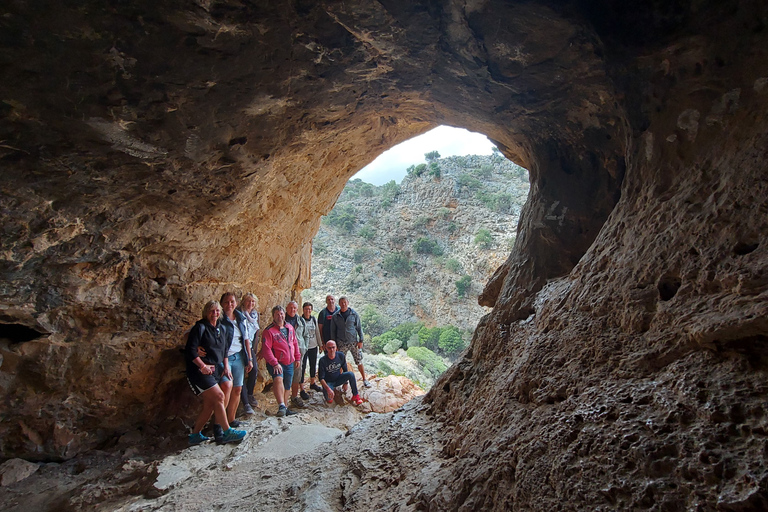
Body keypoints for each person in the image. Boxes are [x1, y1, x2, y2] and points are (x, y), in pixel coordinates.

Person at [184, 300, 247, 445]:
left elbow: (224, 351)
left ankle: (194, 436)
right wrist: (202, 366)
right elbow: (190, 350)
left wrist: (226, 367)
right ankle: (226, 432)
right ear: (206, 312)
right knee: (219, 396)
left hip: (216, 369)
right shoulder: (200, 327)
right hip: (199, 372)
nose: (215, 313)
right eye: (212, 311)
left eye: (217, 311)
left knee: (210, 405)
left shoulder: (221, 328)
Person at [218, 292, 252, 433]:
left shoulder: (240, 318)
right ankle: (221, 423)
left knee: (237, 389)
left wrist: (249, 358)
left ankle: (231, 419)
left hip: (238, 357)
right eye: (226, 302)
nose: (229, 305)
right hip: (223, 358)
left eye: (232, 302)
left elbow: (246, 339)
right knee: (226, 387)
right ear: (222, 304)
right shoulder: (218, 319)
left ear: (236, 303)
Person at [260, 305, 301, 417]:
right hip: (276, 362)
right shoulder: (269, 331)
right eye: (277, 314)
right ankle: (281, 405)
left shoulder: (289, 327)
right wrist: (274, 363)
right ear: (273, 316)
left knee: (287, 384)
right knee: (278, 378)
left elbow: (295, 343)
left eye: (281, 313)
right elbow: (266, 349)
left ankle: (285, 407)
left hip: (289, 361)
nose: (280, 316)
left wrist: (297, 357)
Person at [329, 296, 371, 387]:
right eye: (341, 303)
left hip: (353, 342)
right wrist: (334, 344)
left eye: (345, 302)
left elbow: (359, 328)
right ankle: (342, 381)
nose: (343, 304)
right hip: (341, 342)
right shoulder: (335, 316)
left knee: (359, 361)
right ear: (339, 304)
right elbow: (332, 331)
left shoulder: (354, 314)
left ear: (348, 303)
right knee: (340, 363)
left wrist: (361, 340)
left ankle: (364, 379)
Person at [318, 340, 363, 406]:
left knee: (351, 374)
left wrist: (345, 383)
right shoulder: (322, 360)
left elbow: (345, 369)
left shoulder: (340, 355)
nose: (332, 350)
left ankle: (355, 395)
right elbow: (321, 378)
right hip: (329, 382)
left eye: (333, 347)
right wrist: (328, 389)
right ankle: (330, 391)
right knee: (329, 400)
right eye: (329, 348)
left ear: (336, 347)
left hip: (338, 378)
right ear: (326, 348)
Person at [238, 293, 260, 413]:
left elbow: (256, 334)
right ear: (243, 302)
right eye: (248, 301)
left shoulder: (255, 315)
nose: (250, 304)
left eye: (253, 301)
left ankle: (250, 394)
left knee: (254, 370)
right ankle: (245, 402)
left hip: (250, 347)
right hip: (240, 348)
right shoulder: (239, 314)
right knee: (240, 374)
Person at [285, 301, 308, 409]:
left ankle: (294, 397)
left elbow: (306, 335)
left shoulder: (301, 320)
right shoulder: (282, 320)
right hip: (285, 354)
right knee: (285, 377)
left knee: (297, 376)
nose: (292, 310)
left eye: (294, 308)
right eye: (290, 308)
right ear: (286, 308)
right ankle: (283, 400)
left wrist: (305, 347)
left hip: (299, 353)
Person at [300, 302, 323, 394]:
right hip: (304, 347)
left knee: (313, 365)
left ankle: (312, 383)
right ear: (303, 310)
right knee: (303, 366)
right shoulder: (300, 320)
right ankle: (301, 388)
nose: (308, 311)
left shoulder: (313, 319)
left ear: (311, 310)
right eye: (306, 309)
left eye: (309, 309)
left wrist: (320, 344)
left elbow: (317, 332)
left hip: (313, 346)